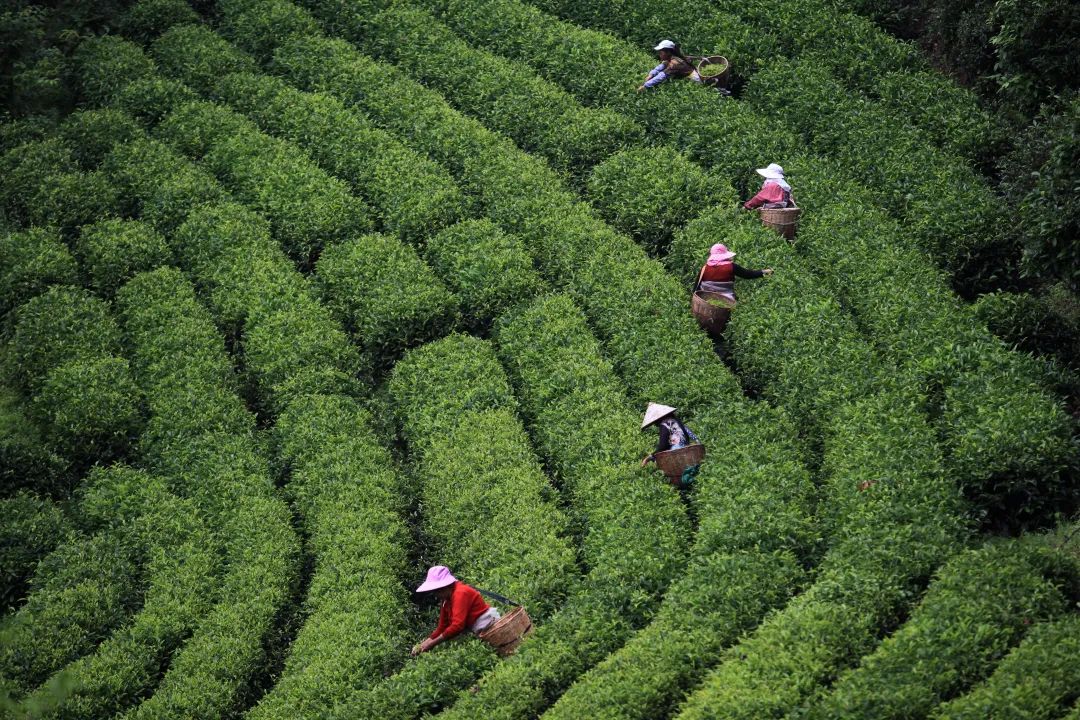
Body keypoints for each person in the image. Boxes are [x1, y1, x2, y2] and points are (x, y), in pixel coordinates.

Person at [411, 565, 501, 656]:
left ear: (445, 586)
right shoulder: (446, 600)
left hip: (489, 625)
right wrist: (422, 645)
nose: (436, 594)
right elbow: (442, 627)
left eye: (437, 591)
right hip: (478, 629)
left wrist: (431, 644)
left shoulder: (460, 593)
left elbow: (457, 626)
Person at [695, 243, 773, 300]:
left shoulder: (705, 268)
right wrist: (764, 272)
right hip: (726, 298)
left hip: (706, 298)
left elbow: (696, 286)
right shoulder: (731, 266)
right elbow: (748, 274)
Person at [640, 402, 699, 467]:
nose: (655, 424)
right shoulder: (676, 421)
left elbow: (663, 446)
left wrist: (650, 457)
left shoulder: (665, 424)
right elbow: (691, 435)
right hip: (687, 450)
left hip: (677, 452)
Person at [637, 40, 702, 92]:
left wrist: (645, 86)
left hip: (695, 80)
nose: (659, 55)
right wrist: (651, 74)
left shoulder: (674, 63)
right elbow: (661, 66)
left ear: (668, 52)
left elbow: (661, 76)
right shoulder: (670, 58)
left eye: (661, 53)